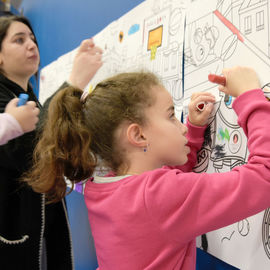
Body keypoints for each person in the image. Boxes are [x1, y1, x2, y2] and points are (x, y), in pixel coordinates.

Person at [25, 66, 270, 270]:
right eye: (171, 115)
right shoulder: (159, 196)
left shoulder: (104, 185)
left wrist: (193, 132)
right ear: (138, 135)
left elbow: (167, 194)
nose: (181, 126)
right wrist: (249, 94)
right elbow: (264, 177)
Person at [0, 15, 102, 270]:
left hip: (43, 229)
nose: (32, 45)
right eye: (19, 40)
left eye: (32, 39)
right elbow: (32, 151)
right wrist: (74, 84)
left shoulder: (26, 96)